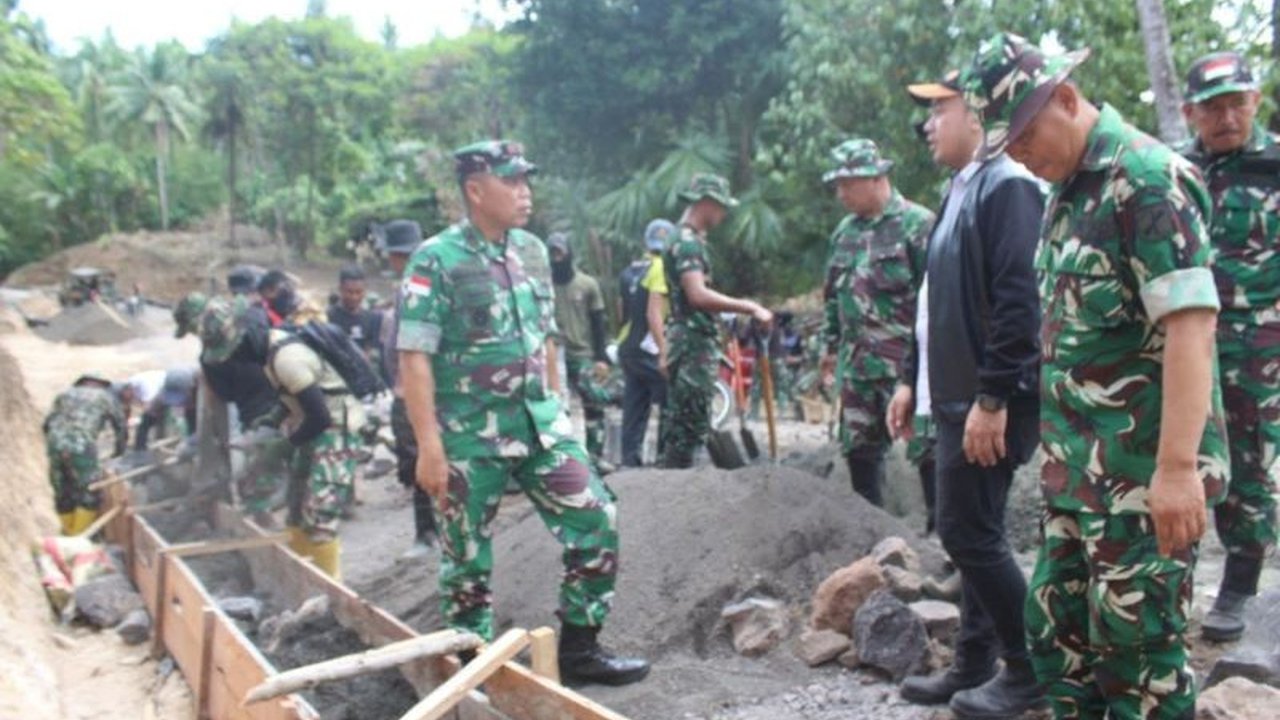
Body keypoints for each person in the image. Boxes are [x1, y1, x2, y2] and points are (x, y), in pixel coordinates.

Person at [962, 33, 1229, 718]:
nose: (1020, 154)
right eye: (1008, 144)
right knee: (1057, 641)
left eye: (1025, 135)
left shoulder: (1145, 179)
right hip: (1079, 476)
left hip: (1141, 481)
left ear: (1066, 97)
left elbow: (1191, 327)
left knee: (1139, 663)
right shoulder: (1067, 191)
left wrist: (1177, 471)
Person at [397, 139, 648, 685]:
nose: (524, 191)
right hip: (469, 435)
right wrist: (429, 447)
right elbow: (414, 357)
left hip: (539, 426)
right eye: (511, 181)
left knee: (596, 518)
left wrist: (559, 411)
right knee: (466, 558)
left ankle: (579, 650)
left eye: (525, 180)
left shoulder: (532, 252)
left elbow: (546, 339)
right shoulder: (435, 259)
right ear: (475, 189)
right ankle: (474, 668)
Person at [889, 64, 1046, 718]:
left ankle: (1030, 669)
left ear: (978, 114)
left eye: (940, 109)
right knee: (973, 532)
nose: (928, 124)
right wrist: (909, 379)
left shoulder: (1010, 186)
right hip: (958, 396)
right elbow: (935, 302)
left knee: (967, 532)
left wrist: (993, 398)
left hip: (990, 401)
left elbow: (1019, 302)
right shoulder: (962, 187)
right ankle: (975, 661)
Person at [1178, 51, 1279, 642]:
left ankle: (1238, 587)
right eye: (1212, 108)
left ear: (1255, 101)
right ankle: (1174, 576)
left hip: (1257, 342)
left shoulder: (1274, 165)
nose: (1227, 118)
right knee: (1181, 454)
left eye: (1237, 104)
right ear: (1189, 113)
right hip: (1185, 338)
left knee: (1249, 462)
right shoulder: (1175, 168)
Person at [201, 299, 363, 580]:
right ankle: (300, 580)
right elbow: (294, 397)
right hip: (310, 427)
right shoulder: (268, 356)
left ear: (245, 339)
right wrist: (274, 418)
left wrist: (283, 446)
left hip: (337, 430)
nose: (234, 360)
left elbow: (321, 415)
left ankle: (330, 590)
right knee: (296, 511)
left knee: (320, 516)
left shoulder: (287, 359)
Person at [819, 138, 935, 513]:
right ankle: (870, 533)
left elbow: (937, 299)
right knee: (859, 451)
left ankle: (939, 532)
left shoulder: (917, 225)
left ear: (876, 178)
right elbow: (833, 297)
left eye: (848, 184)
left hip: (905, 367)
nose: (841, 194)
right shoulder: (844, 233)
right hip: (857, 368)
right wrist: (829, 349)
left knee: (927, 448)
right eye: (837, 185)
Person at [661, 173, 772, 468]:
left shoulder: (683, 238)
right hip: (693, 344)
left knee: (686, 422)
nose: (723, 215)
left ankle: (679, 478)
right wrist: (749, 307)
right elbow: (697, 295)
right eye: (721, 207)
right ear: (707, 203)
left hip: (688, 339)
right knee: (689, 427)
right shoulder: (687, 243)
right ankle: (679, 484)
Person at [377, 219, 438, 560]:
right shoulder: (420, 284)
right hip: (422, 386)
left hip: (416, 389)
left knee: (419, 459)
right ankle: (430, 531)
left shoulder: (415, 288)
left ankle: (428, 533)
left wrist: (401, 385)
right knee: (422, 459)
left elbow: (399, 350)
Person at [196, 298, 286, 522]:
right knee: (259, 466)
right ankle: (261, 515)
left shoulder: (258, 331)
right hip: (253, 412)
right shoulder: (211, 362)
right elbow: (222, 396)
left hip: (282, 399)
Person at [547, 233, 616, 474]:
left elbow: (598, 323)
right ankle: (560, 460)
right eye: (552, 253)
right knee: (556, 409)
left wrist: (601, 357)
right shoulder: (543, 285)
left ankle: (595, 457)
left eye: (560, 252)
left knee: (594, 402)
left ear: (568, 252)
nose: (556, 258)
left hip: (582, 354)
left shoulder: (587, 284)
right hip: (552, 356)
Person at [616, 219, 674, 467]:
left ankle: (629, 462)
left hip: (627, 346)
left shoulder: (630, 269)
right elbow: (654, 313)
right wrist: (663, 351)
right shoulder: (662, 267)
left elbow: (621, 310)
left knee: (635, 403)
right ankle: (665, 460)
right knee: (671, 398)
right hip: (649, 347)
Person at [44, 373, 126, 535]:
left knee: (63, 491)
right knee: (89, 492)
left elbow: (47, 424)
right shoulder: (105, 397)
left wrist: (56, 445)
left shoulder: (64, 394)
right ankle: (79, 537)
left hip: (55, 444)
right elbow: (120, 426)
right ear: (101, 384)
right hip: (81, 445)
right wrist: (119, 452)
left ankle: (67, 532)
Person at [327, 264, 384, 364]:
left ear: (365, 290)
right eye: (349, 292)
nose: (354, 297)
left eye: (359, 292)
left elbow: (370, 350)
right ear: (340, 289)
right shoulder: (329, 316)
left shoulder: (372, 318)